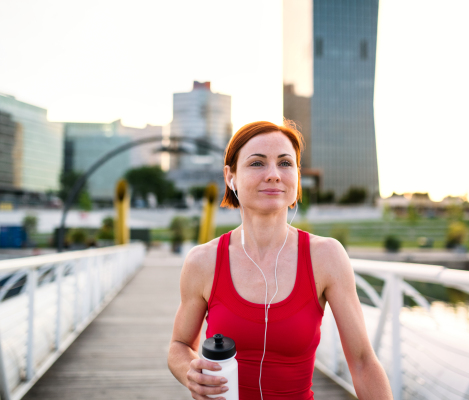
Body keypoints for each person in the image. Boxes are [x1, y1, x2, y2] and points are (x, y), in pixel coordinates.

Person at [168, 121, 392, 399]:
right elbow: (179, 345)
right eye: (257, 163)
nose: (274, 174)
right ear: (231, 176)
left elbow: (362, 362)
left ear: (297, 176)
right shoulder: (203, 261)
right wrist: (191, 371)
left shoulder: (327, 257)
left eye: (285, 163)